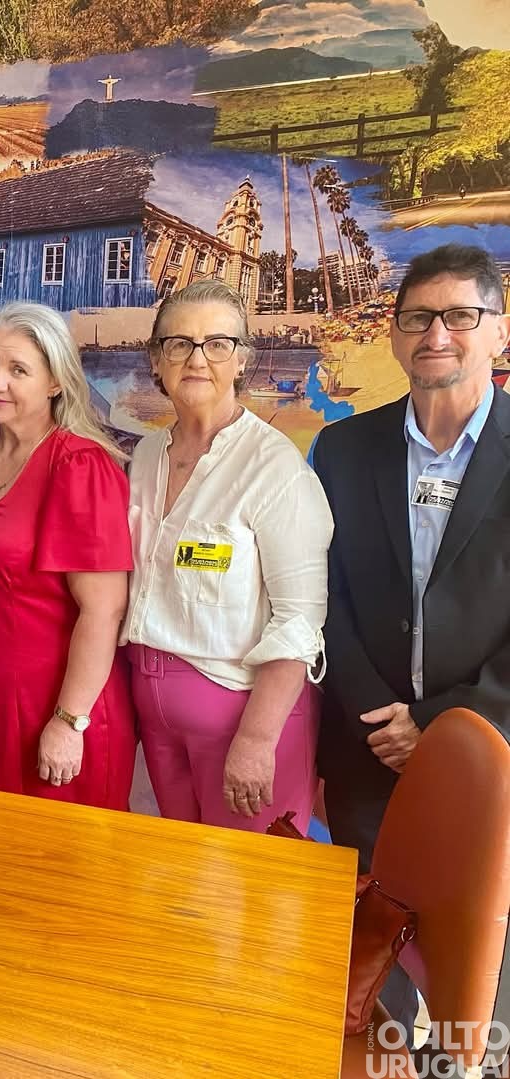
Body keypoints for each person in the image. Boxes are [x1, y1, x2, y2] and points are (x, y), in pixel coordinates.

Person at [312, 244, 510, 1030]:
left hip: (487, 753)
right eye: (419, 318)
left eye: (461, 316)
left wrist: (435, 725)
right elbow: (322, 592)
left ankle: (474, 1052)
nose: (438, 334)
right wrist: (380, 716)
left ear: (499, 331)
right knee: (367, 958)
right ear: (394, 336)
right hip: (366, 747)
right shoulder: (344, 449)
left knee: (477, 954)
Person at [124, 280, 333, 832]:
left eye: (217, 343)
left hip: (243, 720)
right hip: (153, 714)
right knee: (181, 877)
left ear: (242, 359)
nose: (198, 359)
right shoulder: (145, 457)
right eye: (179, 343)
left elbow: (300, 618)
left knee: (248, 893)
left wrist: (257, 739)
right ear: (156, 358)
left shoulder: (275, 469)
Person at [0, 302, 136, 808]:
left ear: (54, 382)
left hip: (50, 709)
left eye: (18, 370)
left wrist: (69, 722)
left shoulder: (80, 466)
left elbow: (104, 608)